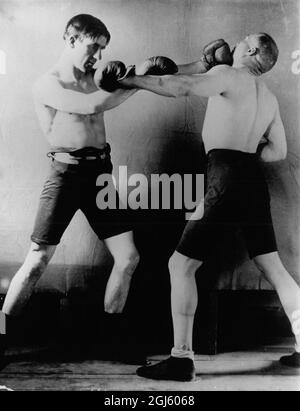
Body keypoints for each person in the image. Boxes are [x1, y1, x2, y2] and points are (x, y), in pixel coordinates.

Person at [120, 33, 300, 380]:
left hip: (226, 176)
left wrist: (131, 80)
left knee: (181, 265)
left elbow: (181, 87)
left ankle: (181, 359)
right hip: (252, 178)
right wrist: (244, 152)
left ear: (250, 51)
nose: (234, 45)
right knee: (274, 268)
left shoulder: (228, 75)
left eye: (242, 41)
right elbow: (277, 151)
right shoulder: (268, 97)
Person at [0, 13, 143, 367]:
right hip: (65, 175)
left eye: (103, 49)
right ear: (71, 39)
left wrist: (193, 65)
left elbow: (139, 76)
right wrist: (136, 84)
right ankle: (0, 339)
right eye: (93, 46)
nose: (98, 56)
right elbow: (92, 106)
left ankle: (111, 341)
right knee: (37, 260)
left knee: (128, 258)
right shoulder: (47, 84)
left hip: (100, 176)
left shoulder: (96, 77)